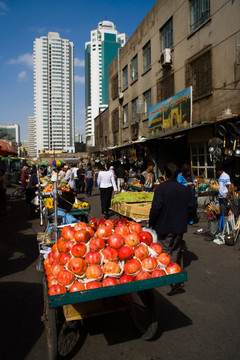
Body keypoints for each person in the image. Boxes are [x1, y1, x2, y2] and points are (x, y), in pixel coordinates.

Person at [149, 162, 196, 296]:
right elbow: (192, 207)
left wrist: (152, 222)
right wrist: (186, 218)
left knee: (165, 253)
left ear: (165, 174)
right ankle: (175, 277)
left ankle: (173, 281)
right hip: (179, 227)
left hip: (165, 226)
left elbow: (156, 208)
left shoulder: (161, 189)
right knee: (175, 251)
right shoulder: (184, 190)